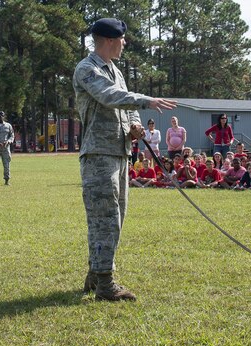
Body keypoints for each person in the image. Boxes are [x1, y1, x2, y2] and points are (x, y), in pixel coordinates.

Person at [73, 17, 176, 301]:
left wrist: (135, 126)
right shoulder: (87, 68)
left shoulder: (116, 71)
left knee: (116, 218)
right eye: (121, 39)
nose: (124, 44)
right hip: (98, 154)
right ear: (109, 40)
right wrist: (147, 99)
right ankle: (105, 283)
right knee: (105, 218)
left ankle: (96, 274)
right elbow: (109, 96)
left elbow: (127, 108)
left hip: (120, 152)